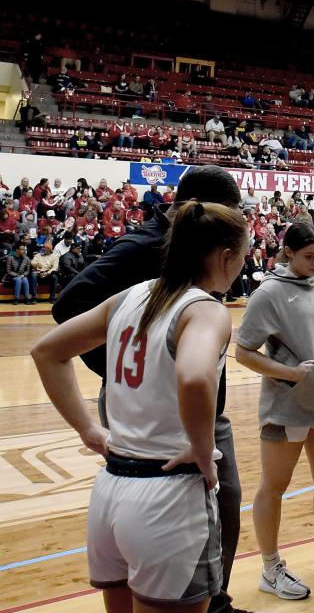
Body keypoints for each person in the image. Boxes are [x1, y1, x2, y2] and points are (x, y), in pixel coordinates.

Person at [31, 201, 246, 613]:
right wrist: (204, 450)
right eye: (243, 254)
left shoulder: (130, 296)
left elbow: (47, 352)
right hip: (166, 497)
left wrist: (89, 430)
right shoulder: (205, 310)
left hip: (111, 489)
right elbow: (195, 376)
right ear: (224, 257)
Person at [236, 222, 314, 599]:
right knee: (274, 486)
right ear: (287, 252)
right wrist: (288, 373)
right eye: (309, 256)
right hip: (286, 406)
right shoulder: (267, 293)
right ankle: (270, 568)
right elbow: (244, 352)